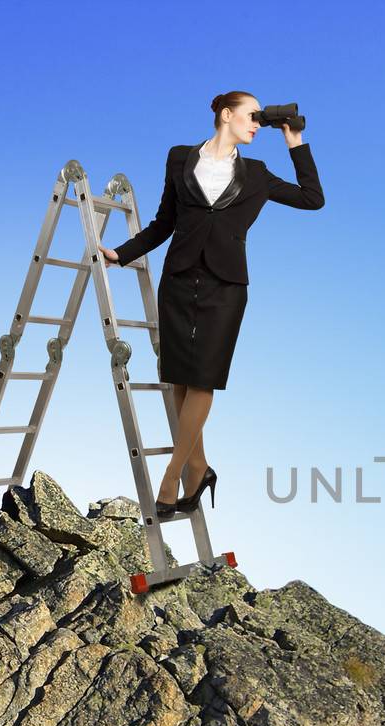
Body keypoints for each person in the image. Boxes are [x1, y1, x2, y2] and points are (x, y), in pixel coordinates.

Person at [99, 91, 325, 518]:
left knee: (203, 378)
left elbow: (312, 198)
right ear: (226, 114)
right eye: (251, 116)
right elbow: (165, 221)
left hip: (226, 287)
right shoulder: (179, 157)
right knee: (179, 380)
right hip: (179, 280)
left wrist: (295, 143)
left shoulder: (257, 174)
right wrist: (123, 252)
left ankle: (174, 476)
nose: (257, 124)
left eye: (261, 119)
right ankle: (200, 468)